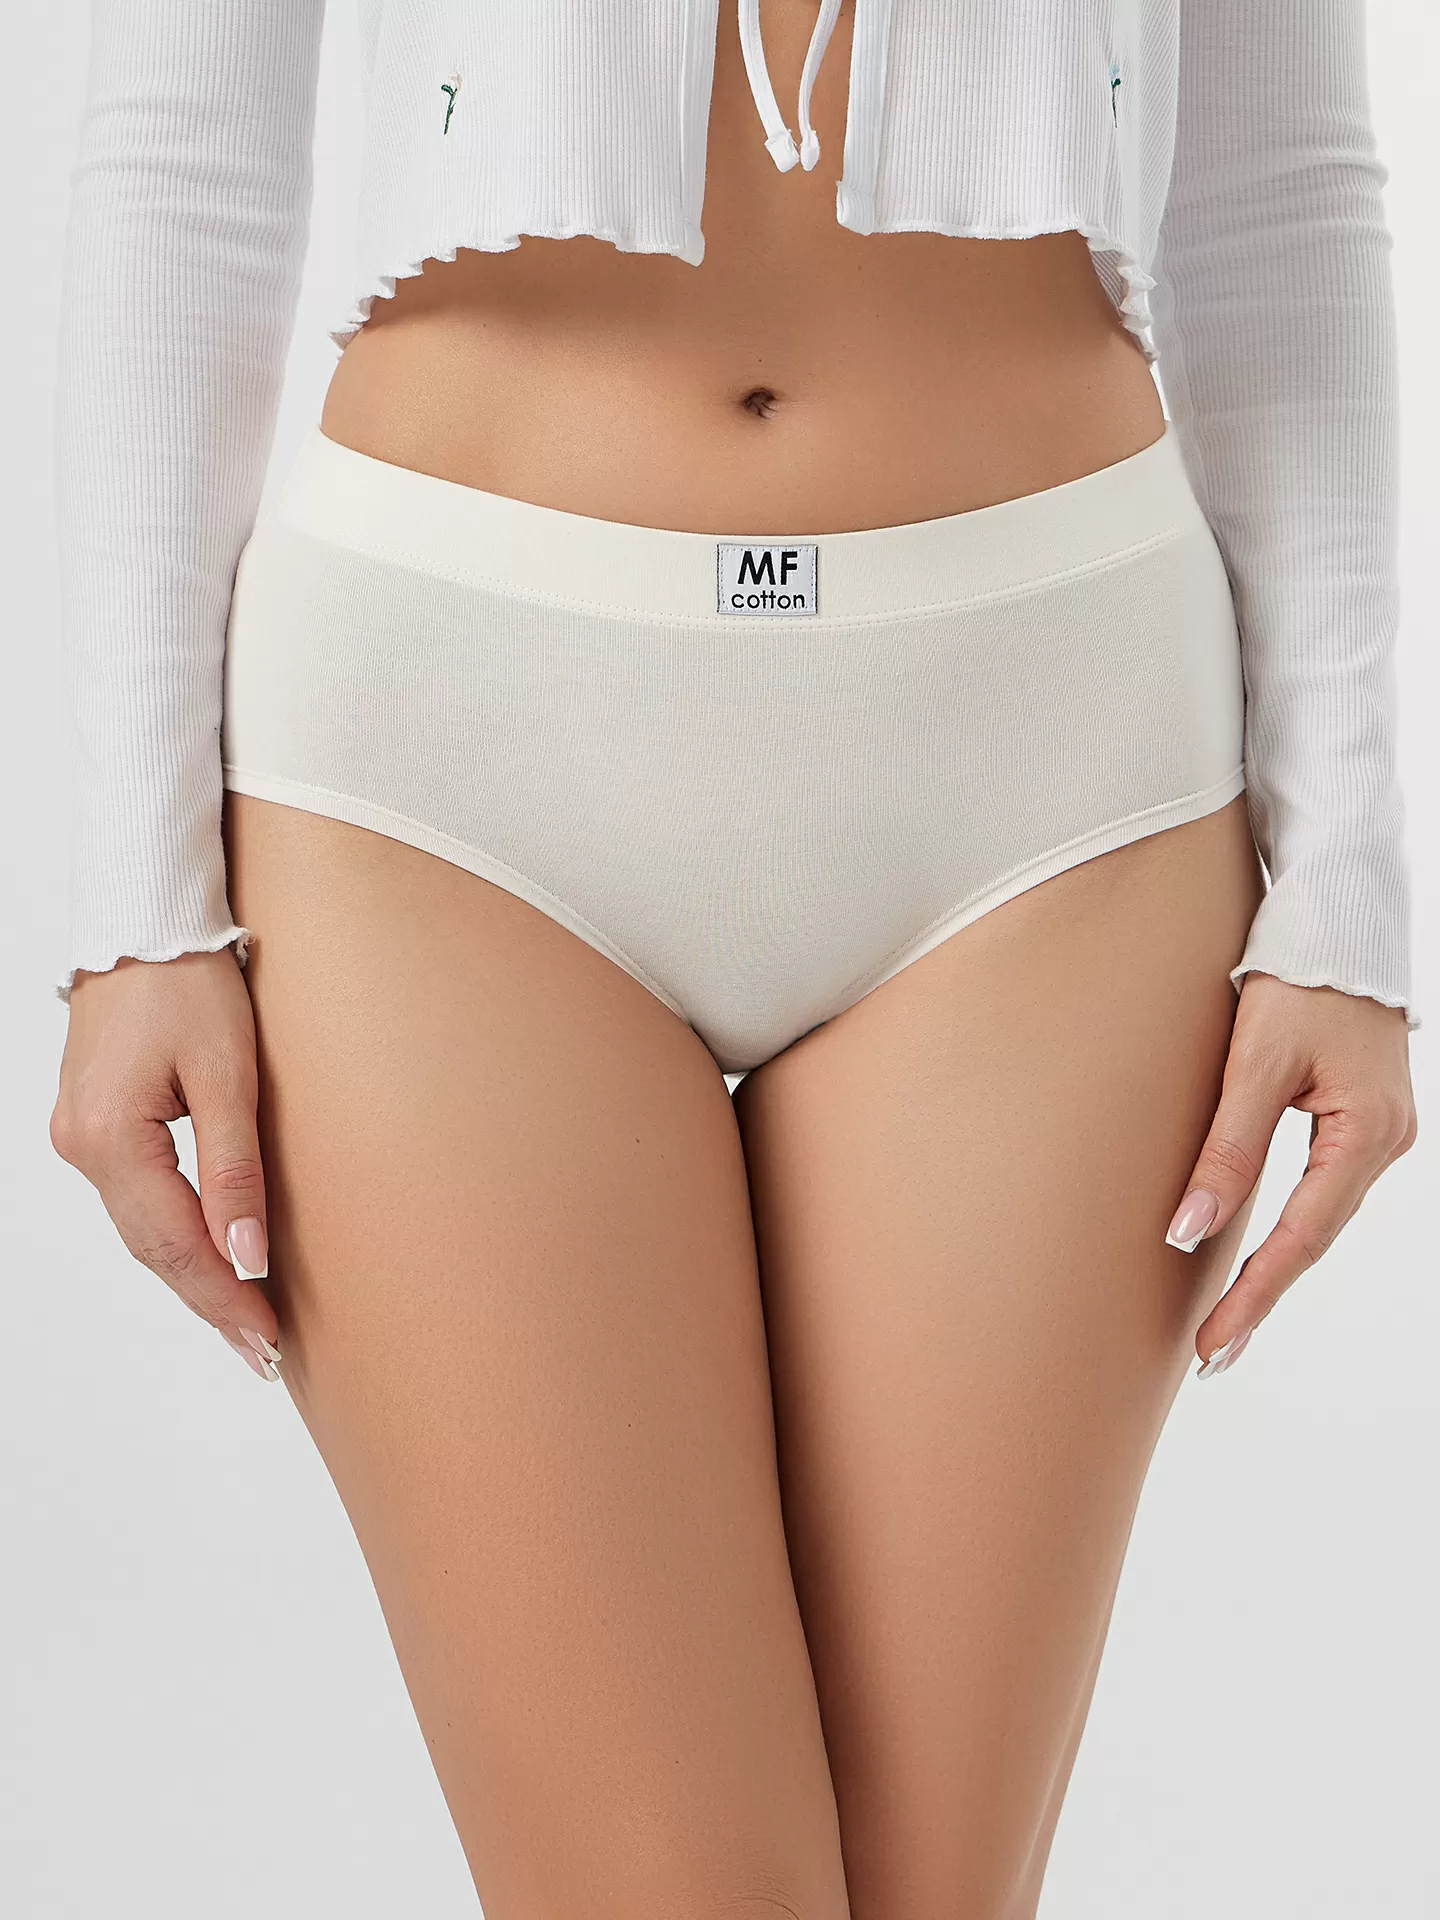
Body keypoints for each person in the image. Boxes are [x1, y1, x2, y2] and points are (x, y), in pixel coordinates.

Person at [48, 3, 1418, 1914]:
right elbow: (182, 165)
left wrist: (1347, 880)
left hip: (1049, 761)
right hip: (446, 757)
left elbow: (1279, 185)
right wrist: (135, 898)